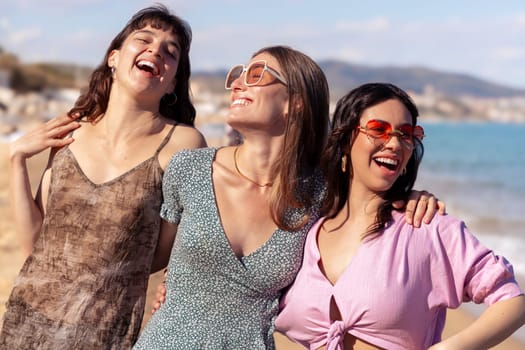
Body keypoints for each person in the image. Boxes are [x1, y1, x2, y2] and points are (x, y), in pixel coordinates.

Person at [135, 47, 444, 349]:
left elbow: (369, 198)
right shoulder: (190, 169)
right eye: (238, 75)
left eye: (257, 74)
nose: (238, 84)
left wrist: (411, 197)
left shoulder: (321, 194)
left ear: (295, 102)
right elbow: (149, 259)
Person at [0, 4, 206, 349]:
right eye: (144, 39)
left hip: (105, 333)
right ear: (113, 57)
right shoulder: (72, 131)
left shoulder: (184, 144)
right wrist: (17, 159)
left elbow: (161, 254)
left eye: (170, 52)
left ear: (172, 83)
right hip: (27, 324)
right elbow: (36, 244)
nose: (156, 50)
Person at [274, 82, 525, 349]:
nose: (394, 143)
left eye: (406, 134)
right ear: (346, 140)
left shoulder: (427, 226)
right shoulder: (308, 228)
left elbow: (513, 301)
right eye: (378, 130)